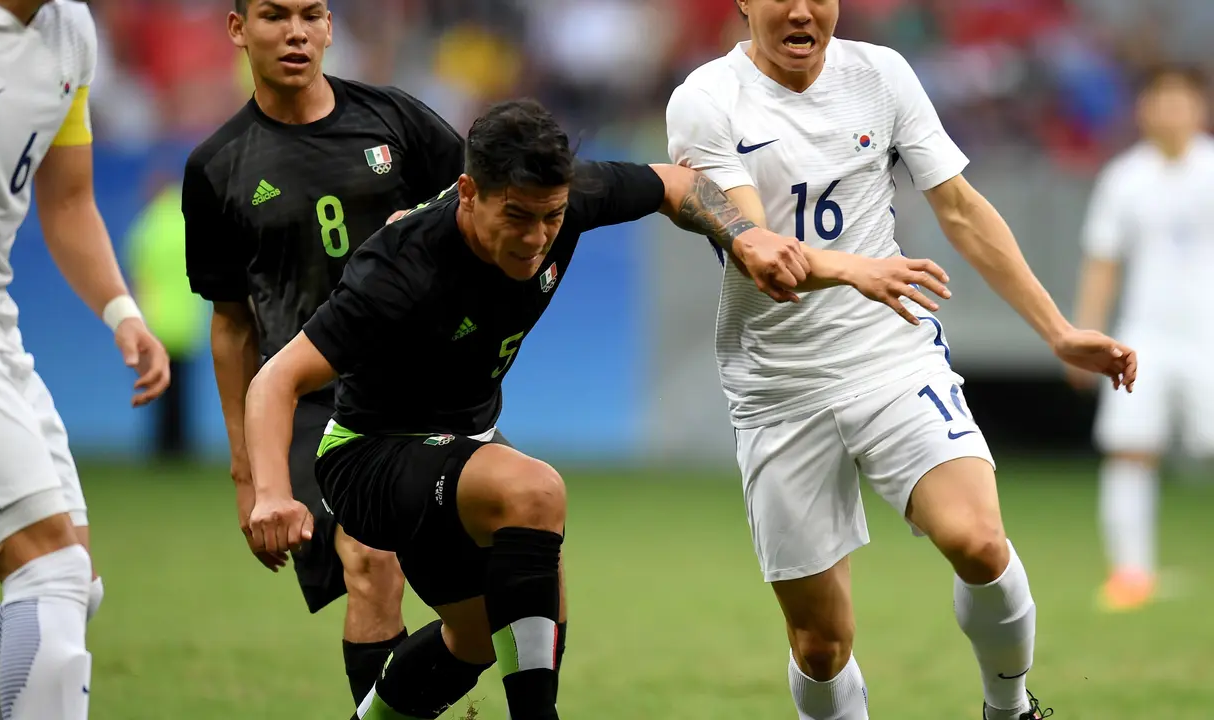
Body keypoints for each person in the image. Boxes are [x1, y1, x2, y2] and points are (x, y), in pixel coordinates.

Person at [241, 97, 946, 720]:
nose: (535, 237)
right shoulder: (400, 267)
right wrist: (272, 494)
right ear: (467, 193)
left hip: (461, 443)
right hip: (368, 452)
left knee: (481, 639)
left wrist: (745, 235)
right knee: (535, 493)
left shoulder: (571, 200)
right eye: (515, 216)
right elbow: (275, 381)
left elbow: (677, 184)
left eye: (549, 217)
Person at [665, 2, 1138, 719]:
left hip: (890, 354)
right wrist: (856, 268)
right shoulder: (705, 100)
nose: (802, 9)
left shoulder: (881, 74)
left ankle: (1009, 709)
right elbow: (756, 249)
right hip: (779, 386)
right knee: (820, 646)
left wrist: (1058, 329)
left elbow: (960, 207)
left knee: (979, 541)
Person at [183, 0, 467, 703]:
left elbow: (480, 210)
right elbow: (231, 325)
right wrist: (250, 471)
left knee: (497, 585)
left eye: (311, 13)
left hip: (420, 388)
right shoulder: (216, 167)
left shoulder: (397, 122)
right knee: (372, 560)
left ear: (332, 27)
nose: (296, 32)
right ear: (238, 28)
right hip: (307, 398)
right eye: (275, 15)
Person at [0, 1, 171, 718]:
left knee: (76, 584)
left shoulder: (72, 31)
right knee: (51, 571)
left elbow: (67, 200)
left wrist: (122, 311)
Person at [1070, 64, 1214, 613]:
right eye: (1162, 99)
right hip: (1145, 336)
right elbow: (1102, 261)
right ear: (1144, 108)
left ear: (1199, 108)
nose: (1172, 110)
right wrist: (1083, 334)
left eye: (1183, 100)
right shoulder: (1125, 178)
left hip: (1209, 335)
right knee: (1130, 451)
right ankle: (1131, 574)